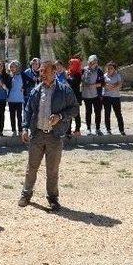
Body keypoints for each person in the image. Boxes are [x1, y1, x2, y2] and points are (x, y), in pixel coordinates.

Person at [19, 61, 79, 211]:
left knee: (52, 170)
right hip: (37, 135)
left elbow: (75, 109)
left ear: (54, 71)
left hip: (55, 136)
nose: (42, 74)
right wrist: (25, 128)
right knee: (31, 167)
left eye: (45, 71)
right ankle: (26, 194)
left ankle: (53, 198)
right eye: (40, 72)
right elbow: (28, 111)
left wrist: (60, 116)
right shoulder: (36, 90)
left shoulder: (64, 90)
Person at [82, 55, 105, 136]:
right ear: (89, 62)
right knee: (88, 112)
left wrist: (93, 86)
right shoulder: (84, 70)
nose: (94, 64)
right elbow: (80, 80)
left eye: (95, 62)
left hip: (97, 96)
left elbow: (102, 83)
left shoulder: (99, 71)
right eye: (92, 62)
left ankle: (97, 129)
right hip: (87, 95)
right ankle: (88, 128)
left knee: (98, 112)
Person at [102, 62, 125, 135]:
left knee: (118, 114)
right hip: (106, 97)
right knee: (107, 114)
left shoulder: (117, 75)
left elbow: (120, 84)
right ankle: (108, 129)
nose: (109, 70)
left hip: (116, 97)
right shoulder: (104, 76)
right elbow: (103, 84)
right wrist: (109, 86)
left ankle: (121, 130)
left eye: (111, 68)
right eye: (108, 68)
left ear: (114, 69)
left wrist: (113, 86)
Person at [6, 60, 24, 136]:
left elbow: (30, 81)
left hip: (19, 99)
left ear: (17, 67)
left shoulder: (22, 75)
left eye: (14, 66)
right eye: (11, 67)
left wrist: (24, 88)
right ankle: (13, 130)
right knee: (12, 116)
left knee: (19, 116)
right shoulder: (9, 76)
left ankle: (20, 130)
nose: (13, 68)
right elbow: (7, 85)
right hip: (11, 99)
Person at [66, 56, 83, 136]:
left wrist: (67, 78)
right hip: (69, 97)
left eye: (72, 63)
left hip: (75, 96)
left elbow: (73, 84)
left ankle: (77, 130)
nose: (70, 65)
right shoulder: (69, 73)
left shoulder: (78, 74)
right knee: (69, 113)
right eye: (70, 63)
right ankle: (68, 131)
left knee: (76, 114)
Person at [0, 60, 8, 137]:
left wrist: (2, 84)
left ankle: (1, 130)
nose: (0, 67)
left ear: (3, 67)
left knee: (1, 115)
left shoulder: (6, 76)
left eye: (1, 65)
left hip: (2, 98)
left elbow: (7, 87)